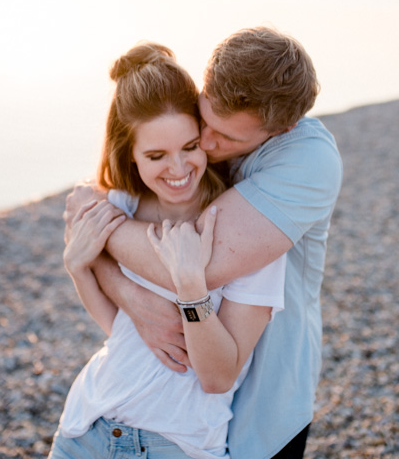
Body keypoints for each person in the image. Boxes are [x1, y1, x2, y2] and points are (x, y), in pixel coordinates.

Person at [65, 27, 343, 459]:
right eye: (205, 123)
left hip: (264, 404)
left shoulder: (308, 159)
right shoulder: (190, 157)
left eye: (228, 138)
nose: (208, 145)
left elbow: (195, 264)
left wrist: (100, 226)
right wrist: (119, 286)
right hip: (119, 414)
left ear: (280, 129)